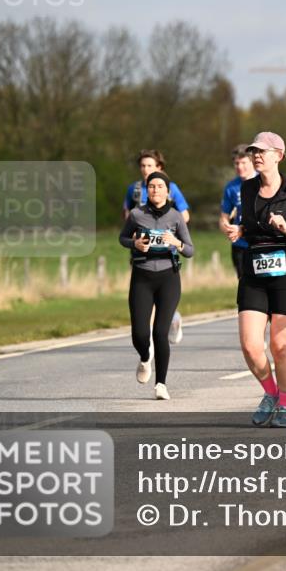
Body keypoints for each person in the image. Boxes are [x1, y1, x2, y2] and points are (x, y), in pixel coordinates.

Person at [227, 132, 286, 428]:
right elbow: (251, 226)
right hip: (254, 272)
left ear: (279, 155)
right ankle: (271, 394)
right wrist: (241, 231)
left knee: (280, 347)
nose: (256, 156)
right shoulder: (247, 189)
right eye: (253, 151)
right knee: (251, 345)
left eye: (262, 151)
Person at [119, 171, 194, 400]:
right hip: (142, 277)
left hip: (168, 278)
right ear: (147, 190)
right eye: (151, 186)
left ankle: (161, 384)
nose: (155, 190)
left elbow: (190, 250)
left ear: (167, 191)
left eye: (160, 186)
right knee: (140, 334)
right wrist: (135, 244)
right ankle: (144, 358)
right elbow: (122, 238)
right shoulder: (136, 214)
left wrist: (177, 243)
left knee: (160, 332)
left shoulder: (175, 217)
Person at [124, 149, 191, 345]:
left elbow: (184, 215)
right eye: (143, 166)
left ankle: (169, 321)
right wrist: (136, 232)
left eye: (150, 166)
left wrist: (170, 230)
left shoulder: (170, 188)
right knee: (145, 295)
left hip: (165, 252)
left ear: (159, 167)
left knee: (161, 295)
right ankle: (151, 339)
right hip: (140, 250)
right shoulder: (134, 189)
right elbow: (127, 216)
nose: (146, 170)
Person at [219, 144, 256, 278]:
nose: (240, 167)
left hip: (260, 242)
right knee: (244, 286)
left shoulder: (264, 180)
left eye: (243, 162)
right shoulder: (231, 187)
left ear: (252, 161)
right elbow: (223, 218)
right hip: (240, 245)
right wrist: (229, 229)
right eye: (236, 163)